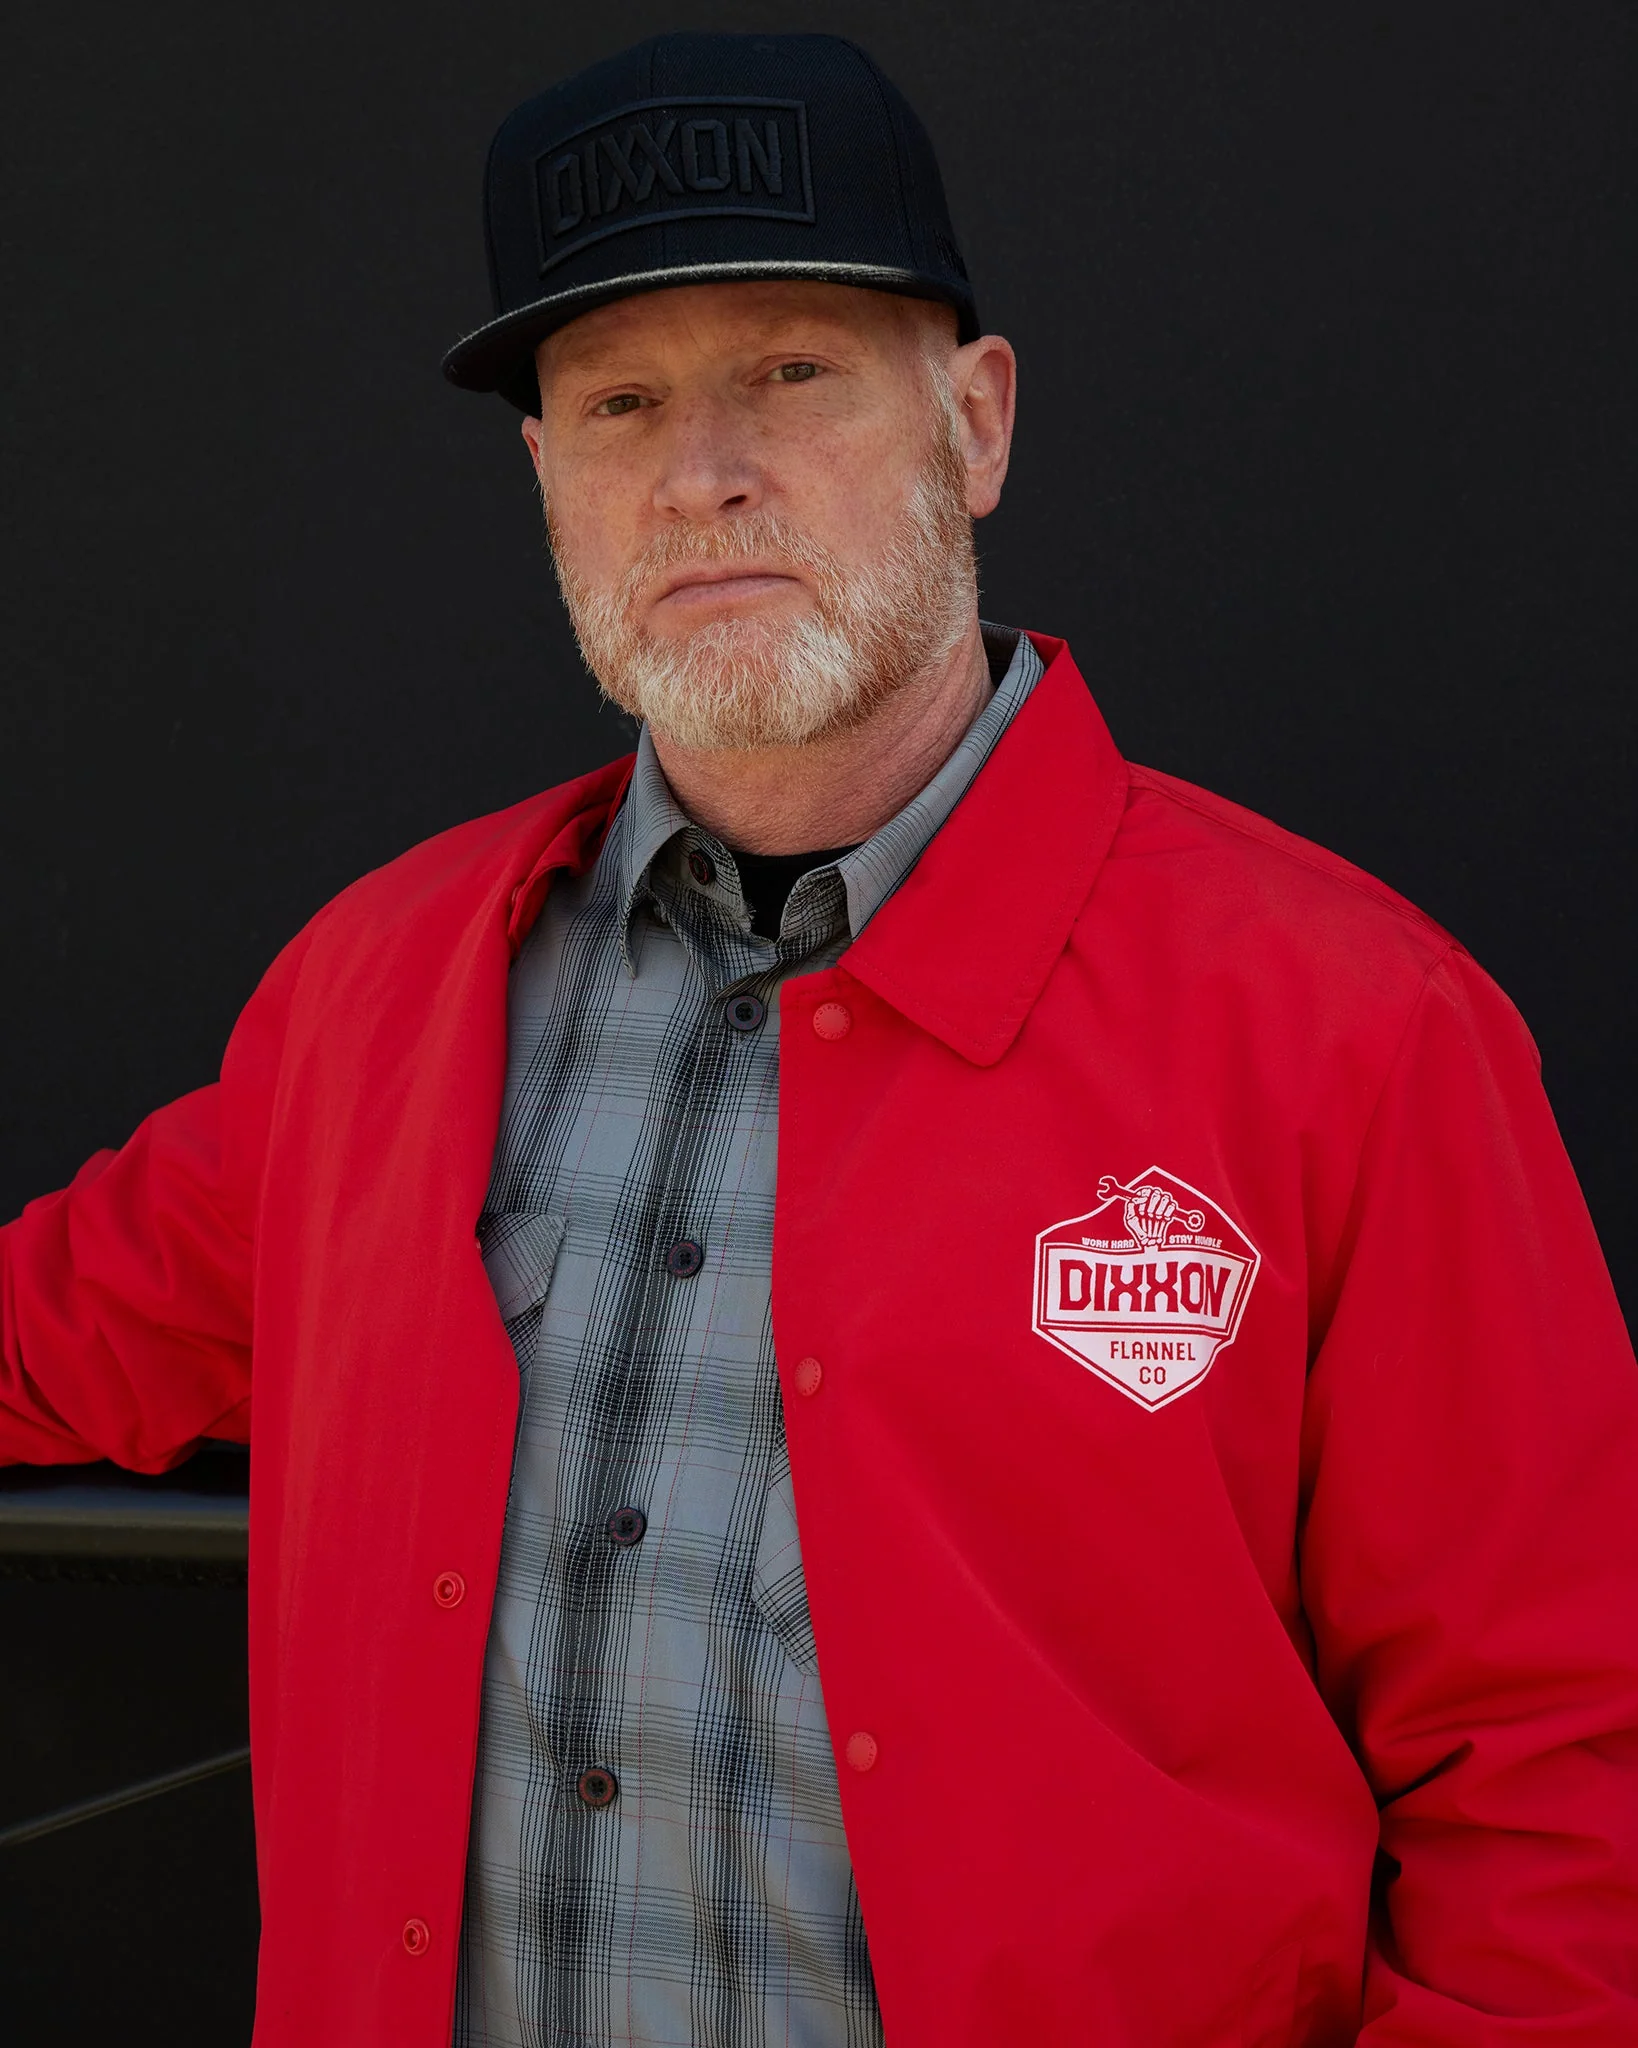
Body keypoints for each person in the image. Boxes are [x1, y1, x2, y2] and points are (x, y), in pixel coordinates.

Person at [2, 29, 1634, 2048]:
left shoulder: (1349, 1027)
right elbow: (61, 1327)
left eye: (791, 370)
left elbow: (1560, 1767)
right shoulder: (381, 994)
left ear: (977, 421)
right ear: (546, 479)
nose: (701, 475)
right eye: (618, 401)